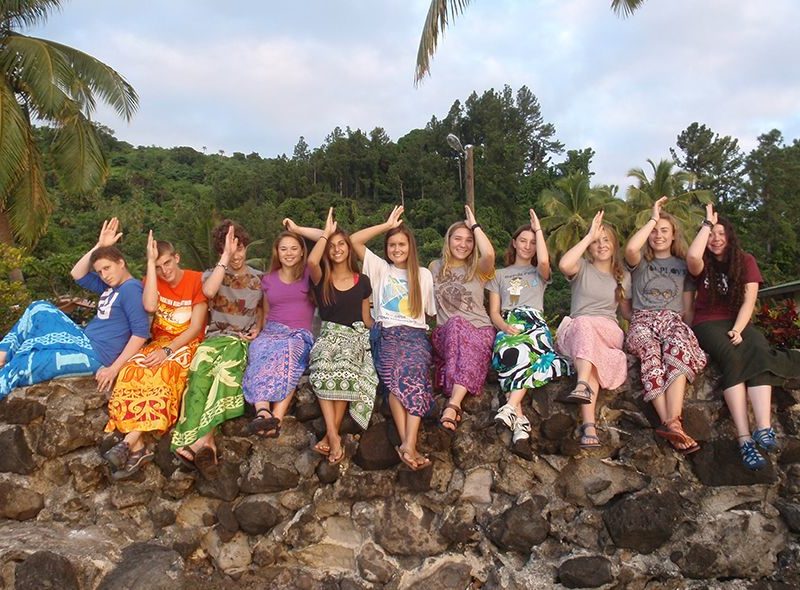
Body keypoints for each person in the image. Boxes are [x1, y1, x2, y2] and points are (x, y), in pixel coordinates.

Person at [687, 203, 800, 470]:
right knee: (732, 358)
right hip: (707, 322)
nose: (716, 239)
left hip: (736, 319)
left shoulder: (745, 261)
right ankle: (744, 439)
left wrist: (738, 329)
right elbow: (692, 256)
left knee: (759, 352)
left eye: (721, 233)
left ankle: (763, 428)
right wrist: (706, 223)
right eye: (711, 234)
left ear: (730, 236)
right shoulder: (701, 264)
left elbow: (749, 300)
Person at [0, 218, 149, 398]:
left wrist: (113, 369)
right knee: (37, 310)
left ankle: (3, 361)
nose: (105, 275)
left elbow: (140, 333)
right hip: (82, 341)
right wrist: (99, 246)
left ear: (121, 262)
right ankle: (3, 354)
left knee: (26, 361)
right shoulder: (110, 287)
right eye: (100, 272)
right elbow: (77, 274)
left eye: (108, 268)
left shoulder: (131, 288)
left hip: (97, 354)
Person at [103, 233, 207, 480]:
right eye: (159, 267)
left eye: (167, 263)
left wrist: (169, 351)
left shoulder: (195, 280)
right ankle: (136, 448)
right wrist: (150, 264)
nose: (165, 271)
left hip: (186, 344)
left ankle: (130, 441)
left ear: (177, 258)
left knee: (165, 373)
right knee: (131, 370)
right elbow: (150, 306)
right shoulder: (153, 280)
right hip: (158, 342)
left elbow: (195, 327)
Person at [170, 221, 263, 478]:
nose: (236, 256)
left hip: (239, 342)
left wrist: (259, 328)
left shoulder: (258, 279)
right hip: (213, 340)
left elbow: (264, 309)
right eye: (229, 250)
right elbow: (209, 291)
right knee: (199, 373)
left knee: (226, 373)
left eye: (239, 248)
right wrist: (225, 256)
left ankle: (202, 441)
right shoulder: (211, 275)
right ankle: (203, 443)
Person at [351, 205, 436, 470]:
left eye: (402, 244)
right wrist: (387, 226)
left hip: (414, 335)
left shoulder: (423, 275)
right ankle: (409, 445)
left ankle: (407, 445)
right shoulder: (379, 269)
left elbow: (429, 314)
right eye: (392, 245)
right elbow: (354, 240)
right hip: (386, 332)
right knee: (394, 378)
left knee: (415, 375)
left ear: (411, 247)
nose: (397, 249)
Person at [624, 197, 707, 454]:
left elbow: (687, 307)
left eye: (664, 231)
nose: (658, 235)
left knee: (678, 346)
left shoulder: (683, 266)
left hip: (672, 319)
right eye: (654, 231)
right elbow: (630, 248)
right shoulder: (640, 264)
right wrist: (653, 217)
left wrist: (685, 330)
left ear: (673, 236)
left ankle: (674, 421)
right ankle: (669, 422)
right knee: (650, 352)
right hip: (642, 320)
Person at [488, 209, 572, 452]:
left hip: (534, 322)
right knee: (509, 352)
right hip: (509, 322)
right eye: (523, 241)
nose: (527, 246)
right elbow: (494, 312)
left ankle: (510, 408)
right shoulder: (499, 275)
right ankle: (520, 423)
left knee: (529, 350)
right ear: (514, 243)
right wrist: (505, 327)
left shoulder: (539, 273)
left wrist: (538, 230)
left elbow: (545, 261)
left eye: (533, 242)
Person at [301, 208, 377, 465]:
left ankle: (329, 438)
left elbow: (367, 319)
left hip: (354, 337)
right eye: (331, 246)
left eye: (341, 244)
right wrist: (326, 233)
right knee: (322, 365)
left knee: (347, 368)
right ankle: (334, 436)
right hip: (329, 335)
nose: (336, 249)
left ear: (348, 248)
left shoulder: (363, 280)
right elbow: (311, 262)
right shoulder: (321, 277)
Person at [556, 211, 632, 449]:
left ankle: (581, 386)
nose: (601, 246)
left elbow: (627, 313)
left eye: (606, 240)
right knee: (587, 340)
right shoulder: (582, 268)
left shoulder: (623, 276)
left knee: (589, 331)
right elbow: (564, 264)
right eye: (597, 242)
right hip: (579, 331)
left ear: (614, 245)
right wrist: (589, 236)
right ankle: (589, 425)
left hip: (608, 330)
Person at [241, 226, 316, 438]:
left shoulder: (310, 274)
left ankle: (277, 418)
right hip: (271, 331)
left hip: (298, 334)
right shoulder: (268, 279)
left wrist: (298, 229)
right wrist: (258, 330)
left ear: (302, 251)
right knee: (258, 351)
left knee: (289, 355)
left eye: (294, 248)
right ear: (277, 252)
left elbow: (326, 238)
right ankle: (262, 412)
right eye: (284, 249)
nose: (289, 253)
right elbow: (265, 312)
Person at [429, 206, 496, 434]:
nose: (463, 244)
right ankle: (454, 400)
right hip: (446, 333)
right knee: (455, 324)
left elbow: (489, 255)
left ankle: (453, 404)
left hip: (479, 330)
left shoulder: (478, 268)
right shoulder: (434, 267)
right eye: (457, 238)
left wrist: (474, 225)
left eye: (469, 240)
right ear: (448, 241)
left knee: (464, 332)